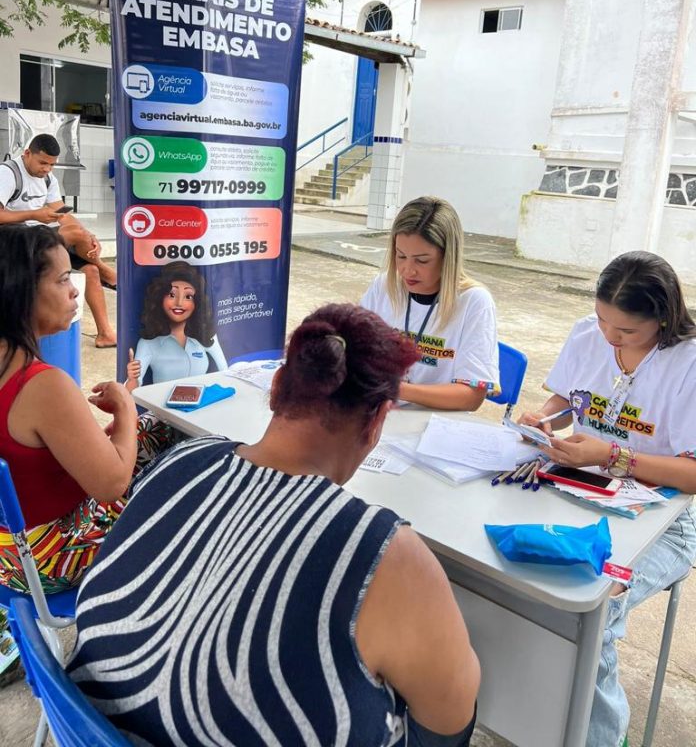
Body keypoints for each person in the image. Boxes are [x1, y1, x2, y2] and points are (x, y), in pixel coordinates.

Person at [69, 304, 480, 746]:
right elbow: (448, 718)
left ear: (277, 386)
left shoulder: (184, 457)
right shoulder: (385, 552)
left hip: (88, 728)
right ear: (378, 420)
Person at [518, 250, 696, 747]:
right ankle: (531, 715)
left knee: (593, 604)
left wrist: (614, 454)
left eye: (625, 332)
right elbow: (565, 402)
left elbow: (693, 475)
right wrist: (544, 422)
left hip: (664, 519)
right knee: (516, 578)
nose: (608, 337)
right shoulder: (585, 333)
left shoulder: (690, 363)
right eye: (601, 320)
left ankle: (598, 736)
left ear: (663, 319)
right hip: (576, 487)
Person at [0, 225, 179, 596]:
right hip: (46, 557)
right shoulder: (41, 384)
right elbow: (112, 485)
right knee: (185, 470)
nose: (73, 292)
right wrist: (126, 408)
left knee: (157, 427)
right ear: (22, 291)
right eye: (64, 279)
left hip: (9, 545)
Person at [361, 196, 499, 410]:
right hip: (381, 415)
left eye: (422, 260)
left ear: (448, 257)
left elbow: (471, 396)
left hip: (436, 422)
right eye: (400, 256)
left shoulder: (473, 302)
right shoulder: (384, 286)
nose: (408, 270)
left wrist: (397, 389)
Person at [0, 133, 117, 348]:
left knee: (89, 268)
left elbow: (62, 214)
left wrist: (90, 236)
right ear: (27, 154)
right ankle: (107, 271)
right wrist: (34, 214)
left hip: (39, 238)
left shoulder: (47, 178)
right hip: (14, 243)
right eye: (42, 162)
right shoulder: (7, 173)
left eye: (52, 165)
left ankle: (106, 333)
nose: (47, 169)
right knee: (74, 233)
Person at [125, 261, 227, 389]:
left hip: (201, 406)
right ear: (160, 297)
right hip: (162, 408)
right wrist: (132, 379)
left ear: (197, 303)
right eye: (172, 295)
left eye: (188, 296)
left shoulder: (206, 336)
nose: (179, 303)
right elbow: (131, 391)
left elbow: (225, 373)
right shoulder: (148, 343)